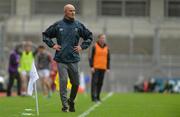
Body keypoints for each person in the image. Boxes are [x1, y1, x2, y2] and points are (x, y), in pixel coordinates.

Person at [42, 4, 93, 112]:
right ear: (65, 12)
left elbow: (89, 36)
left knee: (76, 83)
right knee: (63, 81)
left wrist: (82, 46)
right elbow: (45, 35)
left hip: (74, 59)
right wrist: (52, 45)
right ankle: (65, 105)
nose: (73, 12)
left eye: (74, 10)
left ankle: (71, 101)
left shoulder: (78, 25)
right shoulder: (58, 25)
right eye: (70, 11)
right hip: (61, 59)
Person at [90, 34, 110, 102]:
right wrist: (91, 66)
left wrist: (108, 67)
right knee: (94, 82)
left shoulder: (107, 47)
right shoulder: (95, 46)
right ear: (98, 39)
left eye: (104, 38)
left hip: (103, 67)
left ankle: (98, 96)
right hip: (96, 67)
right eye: (101, 38)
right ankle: (93, 97)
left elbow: (108, 58)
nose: (103, 39)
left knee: (100, 83)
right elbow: (91, 57)